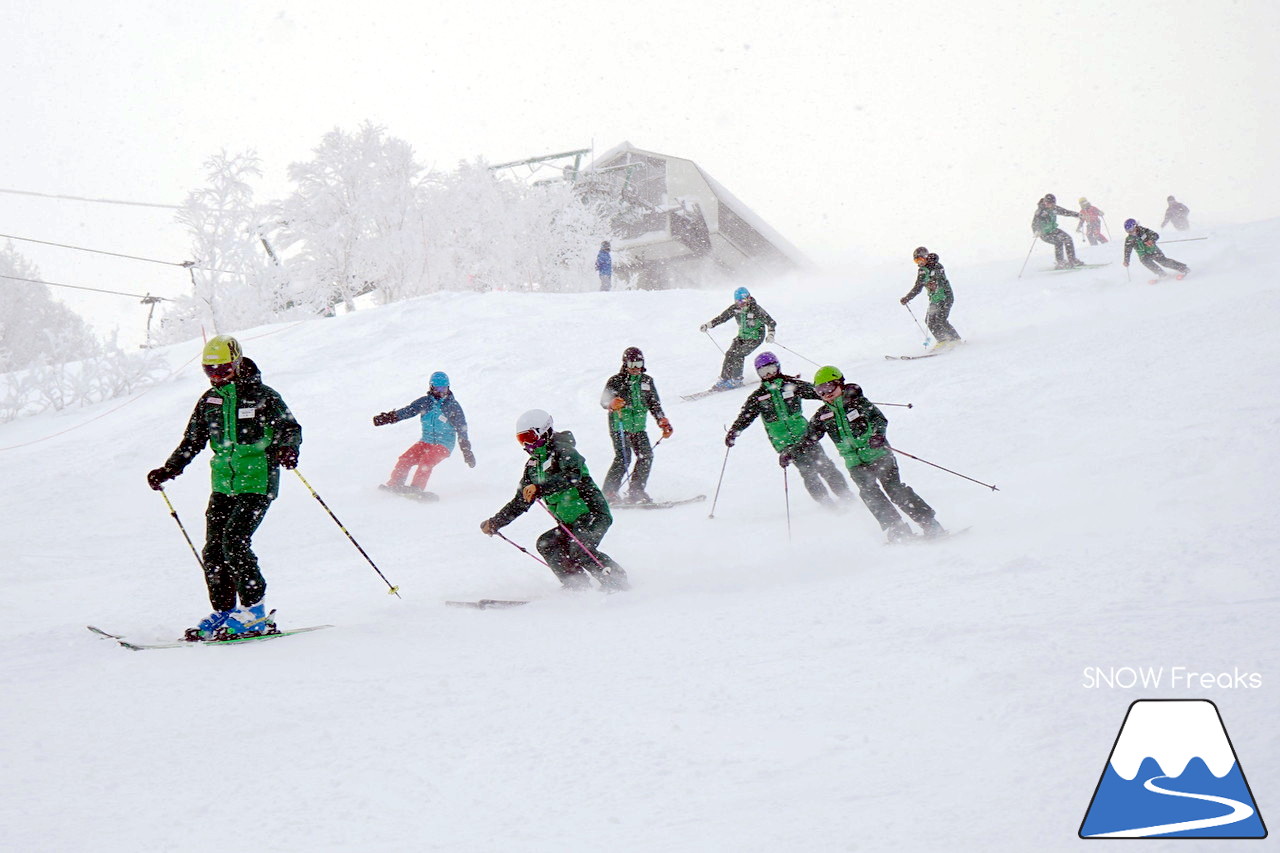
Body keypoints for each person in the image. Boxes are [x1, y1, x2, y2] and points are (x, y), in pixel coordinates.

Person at [145, 336, 302, 639]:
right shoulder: (210, 401)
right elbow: (193, 440)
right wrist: (169, 469)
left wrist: (288, 448)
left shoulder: (263, 397)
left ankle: (255, 613)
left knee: (235, 541)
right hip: (223, 484)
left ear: (238, 362)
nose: (216, 376)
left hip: (257, 482)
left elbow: (289, 428)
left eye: (223, 369)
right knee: (214, 551)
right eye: (210, 371)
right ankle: (225, 612)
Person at [782, 366, 944, 542]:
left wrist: (878, 435)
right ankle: (897, 530)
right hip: (855, 464)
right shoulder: (823, 415)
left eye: (829, 388)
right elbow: (809, 438)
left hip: (879, 455)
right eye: (820, 391)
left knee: (895, 490)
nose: (826, 394)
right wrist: (791, 452)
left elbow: (878, 419)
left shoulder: (857, 403)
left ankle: (930, 523)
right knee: (870, 494)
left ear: (839, 384)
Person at [480, 410, 629, 592]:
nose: (527, 444)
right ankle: (577, 586)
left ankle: (617, 582)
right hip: (570, 523)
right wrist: (496, 522)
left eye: (529, 437)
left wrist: (540, 488)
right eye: (522, 439)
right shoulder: (533, 466)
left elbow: (573, 475)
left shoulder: (564, 450)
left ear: (545, 431)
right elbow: (521, 501)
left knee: (580, 548)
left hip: (593, 514)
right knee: (547, 543)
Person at [725, 352, 852, 508]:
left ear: (778, 367)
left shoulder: (791, 385)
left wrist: (842, 399)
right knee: (808, 473)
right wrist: (734, 432)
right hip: (784, 442)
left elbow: (818, 392)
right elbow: (746, 416)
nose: (769, 374)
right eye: (764, 372)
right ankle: (828, 505)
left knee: (825, 466)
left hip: (805, 435)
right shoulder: (758, 397)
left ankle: (847, 497)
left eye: (772, 369)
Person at [372, 371, 475, 496]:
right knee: (405, 459)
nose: (441, 391)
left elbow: (461, 428)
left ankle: (416, 489)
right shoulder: (425, 402)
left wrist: (466, 450)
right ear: (431, 387)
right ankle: (395, 483)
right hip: (426, 441)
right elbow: (407, 411)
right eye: (438, 388)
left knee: (426, 461)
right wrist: (389, 418)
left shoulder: (453, 406)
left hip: (444, 444)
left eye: (444, 388)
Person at [600, 346, 673, 504]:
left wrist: (662, 420)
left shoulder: (647, 381)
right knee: (623, 458)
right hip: (619, 426)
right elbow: (604, 401)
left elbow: (654, 404)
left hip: (638, 428)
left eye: (638, 364)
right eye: (632, 365)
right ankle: (609, 493)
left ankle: (636, 491)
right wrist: (612, 403)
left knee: (646, 456)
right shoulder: (616, 381)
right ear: (625, 364)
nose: (635, 368)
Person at [700, 286, 777, 389]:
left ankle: (736, 380)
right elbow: (722, 318)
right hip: (742, 337)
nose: (741, 303)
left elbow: (771, 322)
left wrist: (771, 334)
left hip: (755, 338)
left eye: (743, 300)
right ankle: (724, 379)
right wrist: (708, 325)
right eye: (738, 301)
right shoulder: (735, 309)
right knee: (729, 354)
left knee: (739, 354)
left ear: (749, 298)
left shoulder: (756, 309)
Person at [900, 249, 961, 346]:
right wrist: (907, 298)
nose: (919, 262)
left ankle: (955, 339)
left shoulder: (936, 266)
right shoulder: (922, 271)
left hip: (945, 296)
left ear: (925, 257)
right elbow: (917, 287)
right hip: (934, 299)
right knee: (930, 320)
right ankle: (942, 341)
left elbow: (939, 275)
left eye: (920, 259)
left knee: (941, 319)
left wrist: (933, 262)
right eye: (916, 261)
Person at [1122, 219, 1189, 279]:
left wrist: (1151, 240)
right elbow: (1127, 251)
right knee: (1146, 262)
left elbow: (1155, 235)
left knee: (1164, 262)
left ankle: (1184, 269)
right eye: (1128, 231)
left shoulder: (1144, 231)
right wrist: (1126, 261)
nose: (1131, 232)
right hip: (1143, 255)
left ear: (1135, 226)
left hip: (1153, 251)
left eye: (1131, 230)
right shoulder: (1129, 240)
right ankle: (1162, 274)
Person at [1031, 193, 1083, 269]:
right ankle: (1060, 262)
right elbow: (1034, 223)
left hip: (1053, 230)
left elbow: (1066, 212)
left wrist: (1078, 215)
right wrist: (1036, 231)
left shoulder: (1054, 208)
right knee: (1058, 242)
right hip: (1044, 234)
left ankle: (1072, 260)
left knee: (1068, 239)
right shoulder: (1040, 211)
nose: (1050, 205)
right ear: (1044, 202)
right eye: (1048, 203)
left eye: (1052, 203)